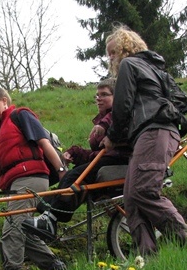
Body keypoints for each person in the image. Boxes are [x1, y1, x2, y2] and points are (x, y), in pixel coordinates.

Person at [101, 25, 187, 255]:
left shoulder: (130, 66)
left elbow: (123, 107)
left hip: (154, 131)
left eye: (113, 52)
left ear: (124, 47)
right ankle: (147, 258)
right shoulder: (155, 70)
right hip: (156, 133)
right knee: (130, 199)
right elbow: (182, 102)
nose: (110, 58)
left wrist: (112, 136)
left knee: (143, 191)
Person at [0, 87, 67, 270]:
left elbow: (43, 143)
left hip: (31, 179)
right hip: (14, 183)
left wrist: (62, 171)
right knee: (22, 230)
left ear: (4, 100)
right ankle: (58, 269)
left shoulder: (20, 116)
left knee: (12, 231)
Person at [22, 78, 131, 240]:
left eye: (104, 95)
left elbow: (118, 118)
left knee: (73, 177)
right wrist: (75, 153)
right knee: (72, 177)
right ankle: (47, 209)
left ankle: (50, 217)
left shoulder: (118, 114)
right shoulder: (104, 119)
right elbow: (97, 153)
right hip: (108, 159)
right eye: (96, 95)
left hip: (120, 160)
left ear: (117, 97)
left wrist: (104, 125)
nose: (98, 99)